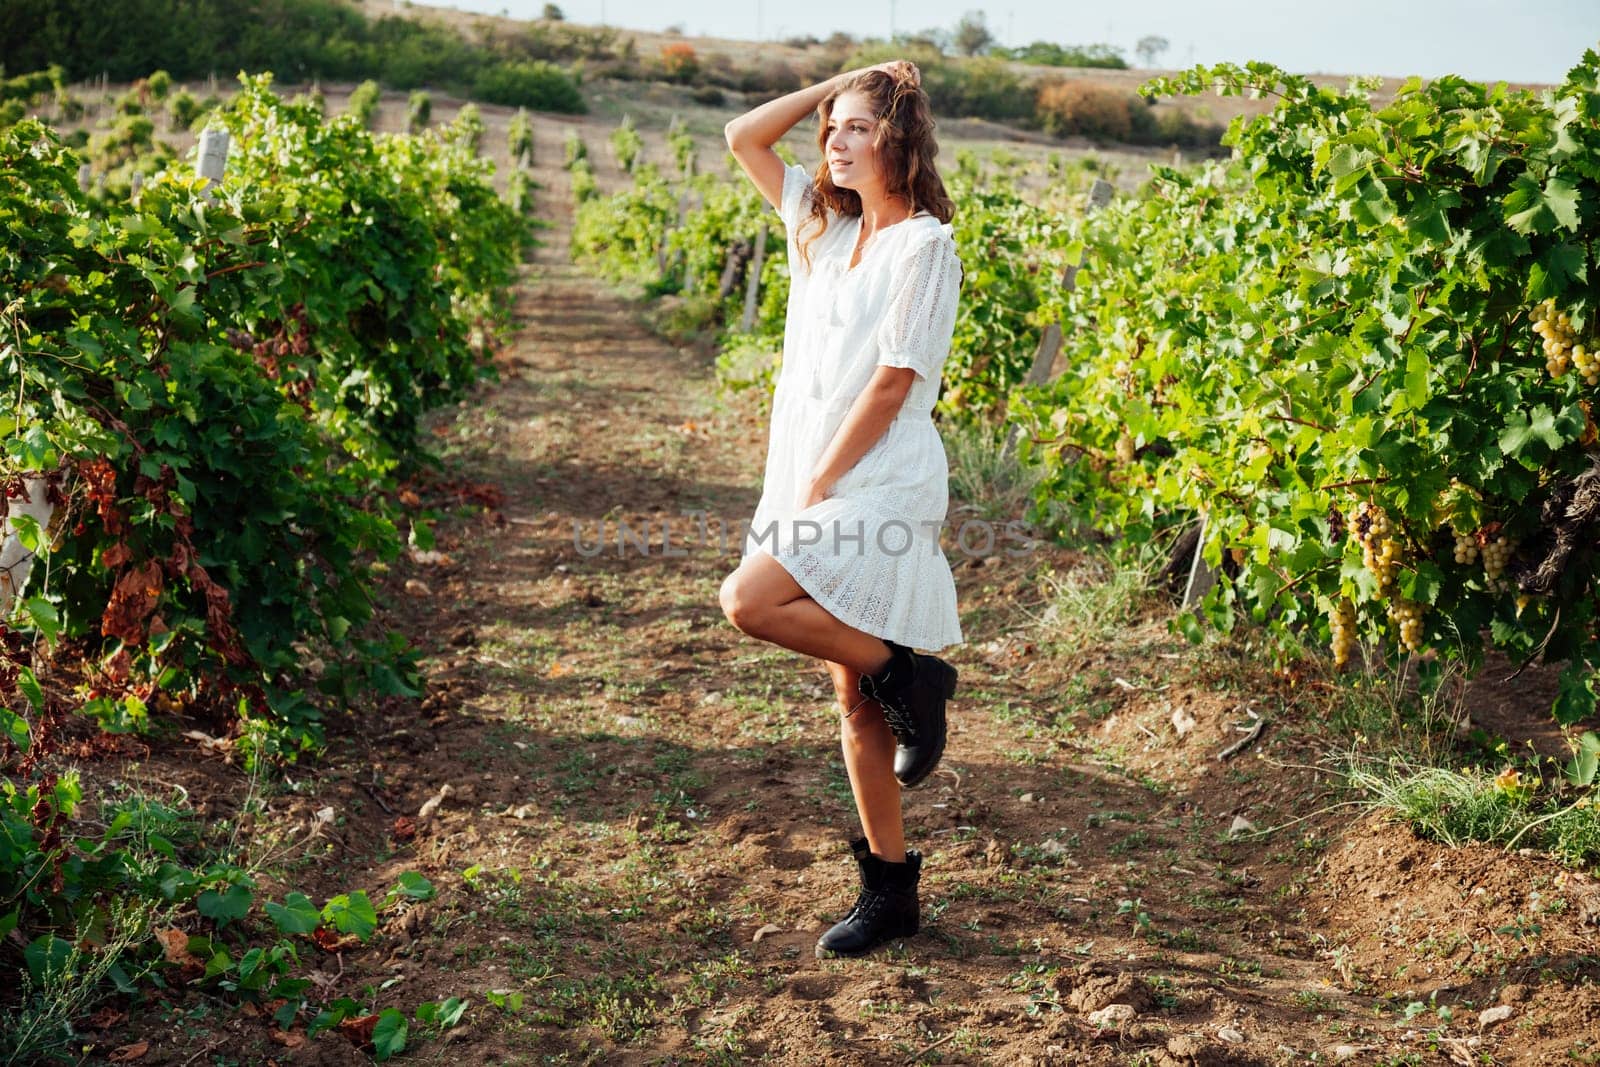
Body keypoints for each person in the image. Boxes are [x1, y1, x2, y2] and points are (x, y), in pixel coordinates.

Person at [718, 59, 965, 959]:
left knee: (748, 601)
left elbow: (897, 380)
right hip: (811, 472)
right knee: (853, 700)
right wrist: (835, 82)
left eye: (857, 127)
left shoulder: (925, 248)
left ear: (899, 139)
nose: (834, 141)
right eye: (831, 129)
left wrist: (822, 481)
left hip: (879, 478)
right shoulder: (823, 228)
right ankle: (890, 891)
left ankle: (912, 675)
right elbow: (745, 136)